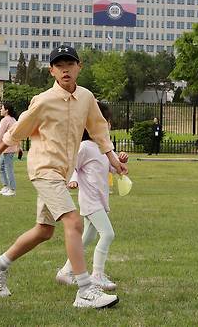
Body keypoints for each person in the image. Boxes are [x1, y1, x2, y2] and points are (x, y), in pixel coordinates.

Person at [0, 45, 127, 309]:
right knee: (73, 220)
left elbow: (99, 131)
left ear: (79, 66)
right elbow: (17, 131)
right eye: (59, 65)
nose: (65, 69)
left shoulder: (86, 98)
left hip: (61, 173)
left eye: (70, 64)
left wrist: (114, 161)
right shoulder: (43, 100)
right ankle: (84, 290)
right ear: (52, 71)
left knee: (44, 231)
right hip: (43, 169)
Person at [56, 102, 128, 291]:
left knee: (87, 237)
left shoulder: (104, 148)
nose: (108, 125)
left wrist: (120, 163)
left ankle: (65, 271)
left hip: (100, 198)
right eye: (104, 122)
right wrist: (72, 180)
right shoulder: (85, 147)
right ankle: (97, 274)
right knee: (108, 234)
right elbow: (72, 165)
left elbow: (111, 167)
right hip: (90, 200)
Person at [0, 102, 18, 196]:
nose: (0, 110)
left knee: (8, 169)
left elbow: (0, 135)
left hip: (8, 148)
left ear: (6, 110)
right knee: (1, 167)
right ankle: (6, 187)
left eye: (2, 108)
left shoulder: (5, 120)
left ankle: (12, 189)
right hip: (9, 148)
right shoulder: (13, 120)